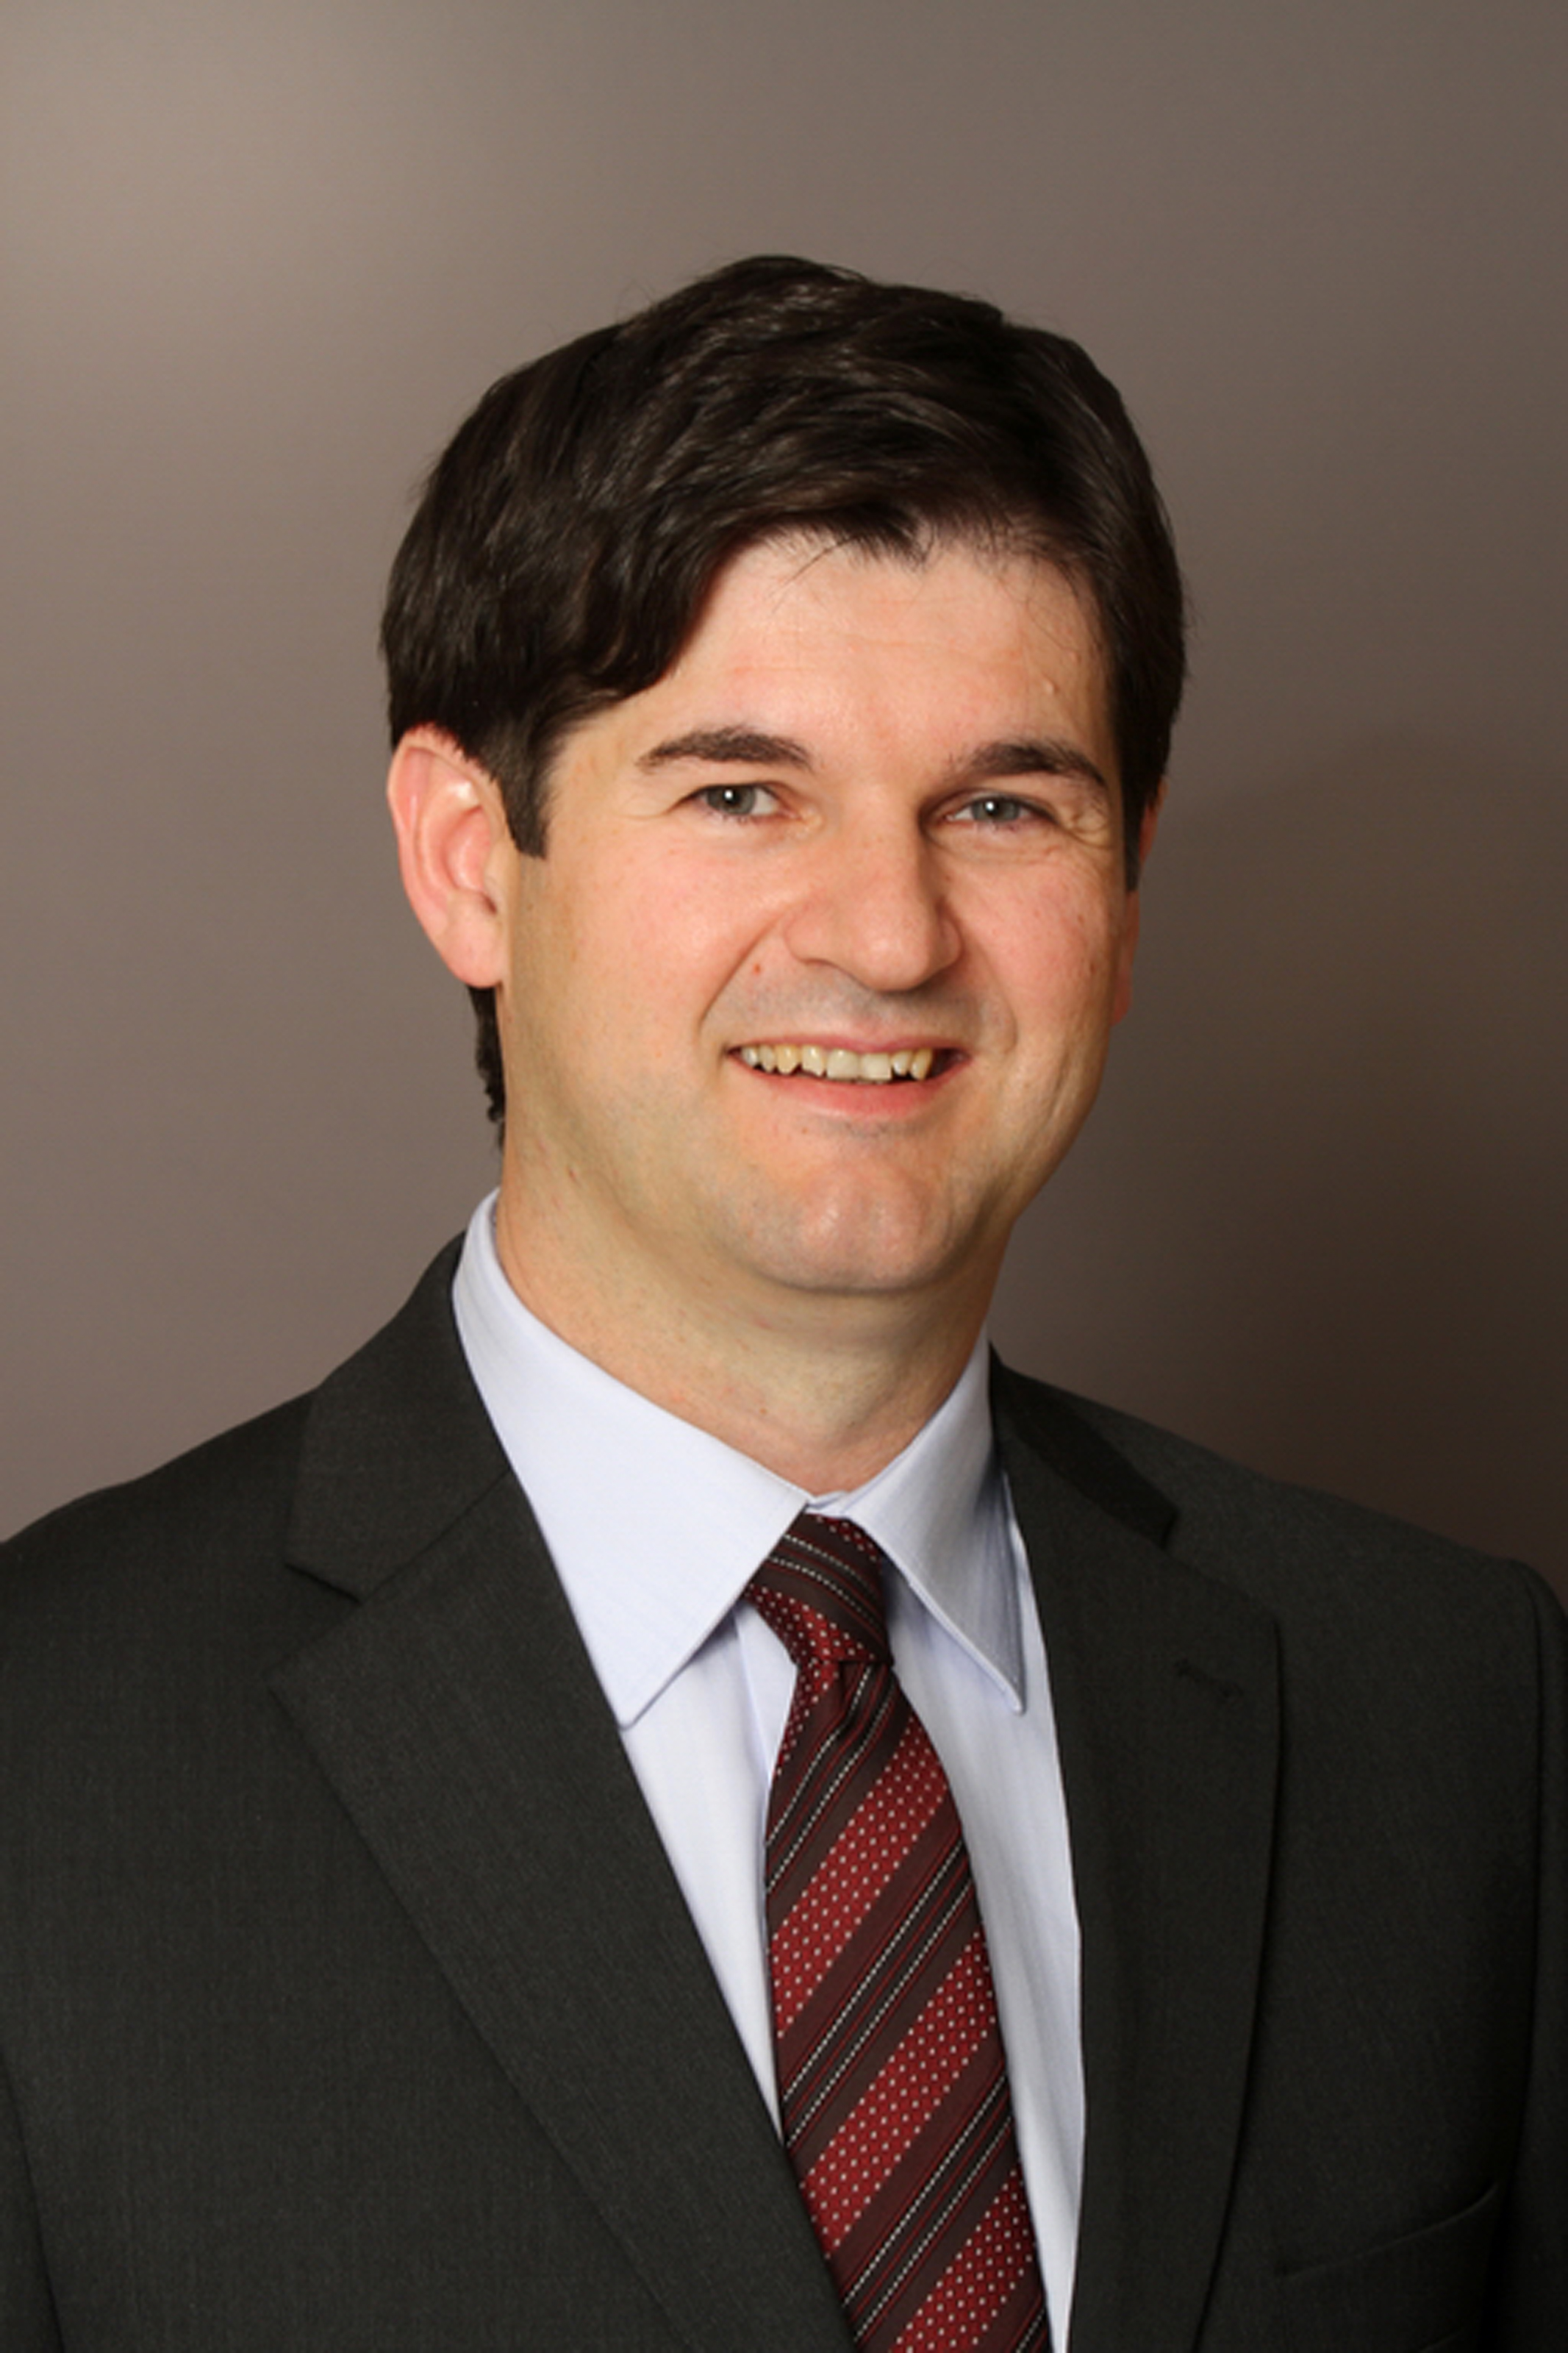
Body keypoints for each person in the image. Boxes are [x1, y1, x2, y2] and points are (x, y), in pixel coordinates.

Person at [1, 257, 1561, 2353]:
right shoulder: (43, 1757)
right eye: (742, 792)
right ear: (467, 858)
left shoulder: (1454, 1711)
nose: (891, 933)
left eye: (1002, 806)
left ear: (1125, 890)